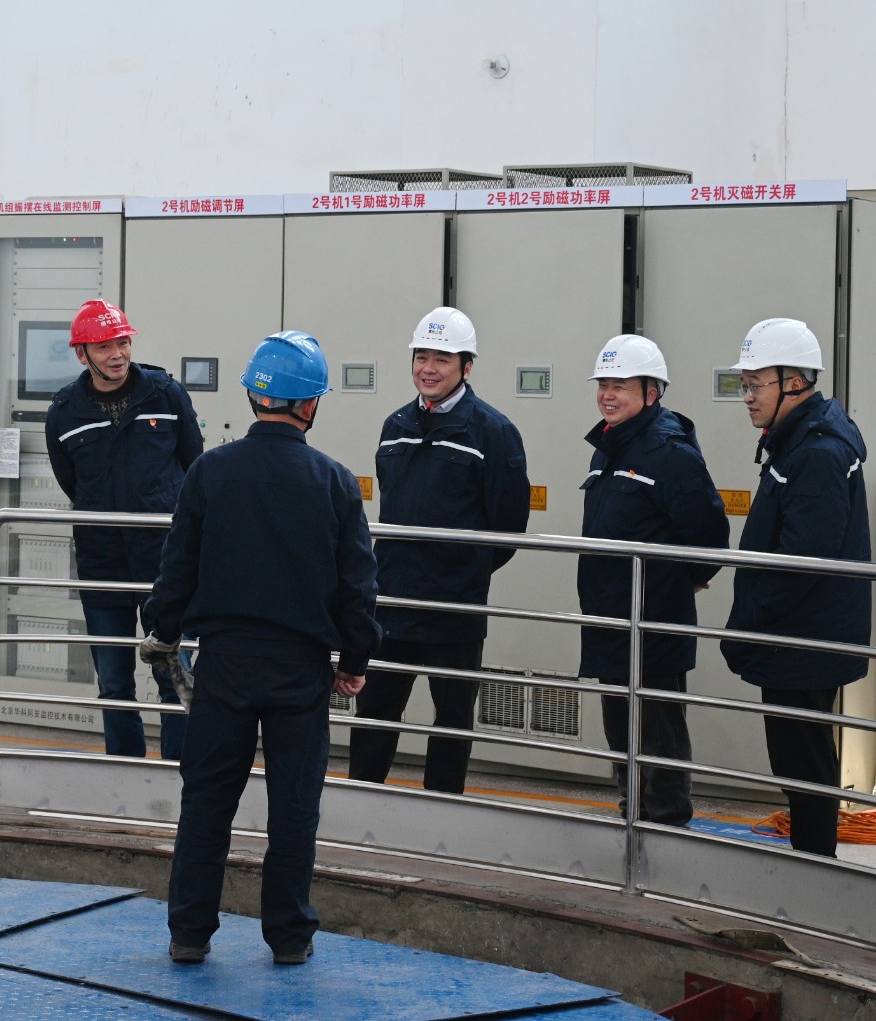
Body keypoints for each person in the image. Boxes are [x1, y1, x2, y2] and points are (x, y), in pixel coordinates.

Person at [144, 331, 379, 966]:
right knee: (294, 811)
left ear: (254, 394)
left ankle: (190, 933)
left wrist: (162, 629)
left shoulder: (210, 471)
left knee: (206, 805)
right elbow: (358, 587)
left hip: (223, 665)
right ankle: (289, 938)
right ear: (311, 404)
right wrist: (354, 662)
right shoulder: (334, 482)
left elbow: (177, 570)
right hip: (301, 672)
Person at [348, 306, 529, 795]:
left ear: (466, 367)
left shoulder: (493, 432)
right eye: (421, 357)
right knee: (375, 712)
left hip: (454, 607)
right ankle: (362, 803)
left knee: (451, 718)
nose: (428, 369)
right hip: (393, 602)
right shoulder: (395, 424)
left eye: (442, 359)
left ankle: (443, 810)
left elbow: (509, 527)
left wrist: (461, 570)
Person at [723, 317, 871, 857]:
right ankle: (812, 863)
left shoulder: (817, 452)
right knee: (800, 759)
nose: (746, 396)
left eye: (755, 384)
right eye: (744, 384)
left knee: (803, 761)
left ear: (794, 382)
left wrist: (752, 618)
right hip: (800, 635)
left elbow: (804, 558)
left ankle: (815, 869)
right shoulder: (800, 441)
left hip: (803, 638)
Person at [577, 334, 729, 826]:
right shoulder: (611, 444)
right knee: (622, 731)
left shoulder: (668, 451)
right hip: (610, 617)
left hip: (653, 620)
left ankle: (664, 826)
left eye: (619, 386)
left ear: (651, 391)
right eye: (603, 384)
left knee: (658, 733)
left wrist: (682, 582)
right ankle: (632, 819)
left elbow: (709, 533)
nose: (607, 395)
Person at [45, 299, 203, 760]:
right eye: (103, 346)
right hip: (103, 561)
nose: (117, 354)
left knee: (174, 676)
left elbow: (193, 466)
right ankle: (124, 768)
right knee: (113, 681)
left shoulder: (166, 395)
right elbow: (72, 481)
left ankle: (179, 774)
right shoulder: (64, 411)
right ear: (82, 354)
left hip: (164, 563)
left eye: (122, 342)